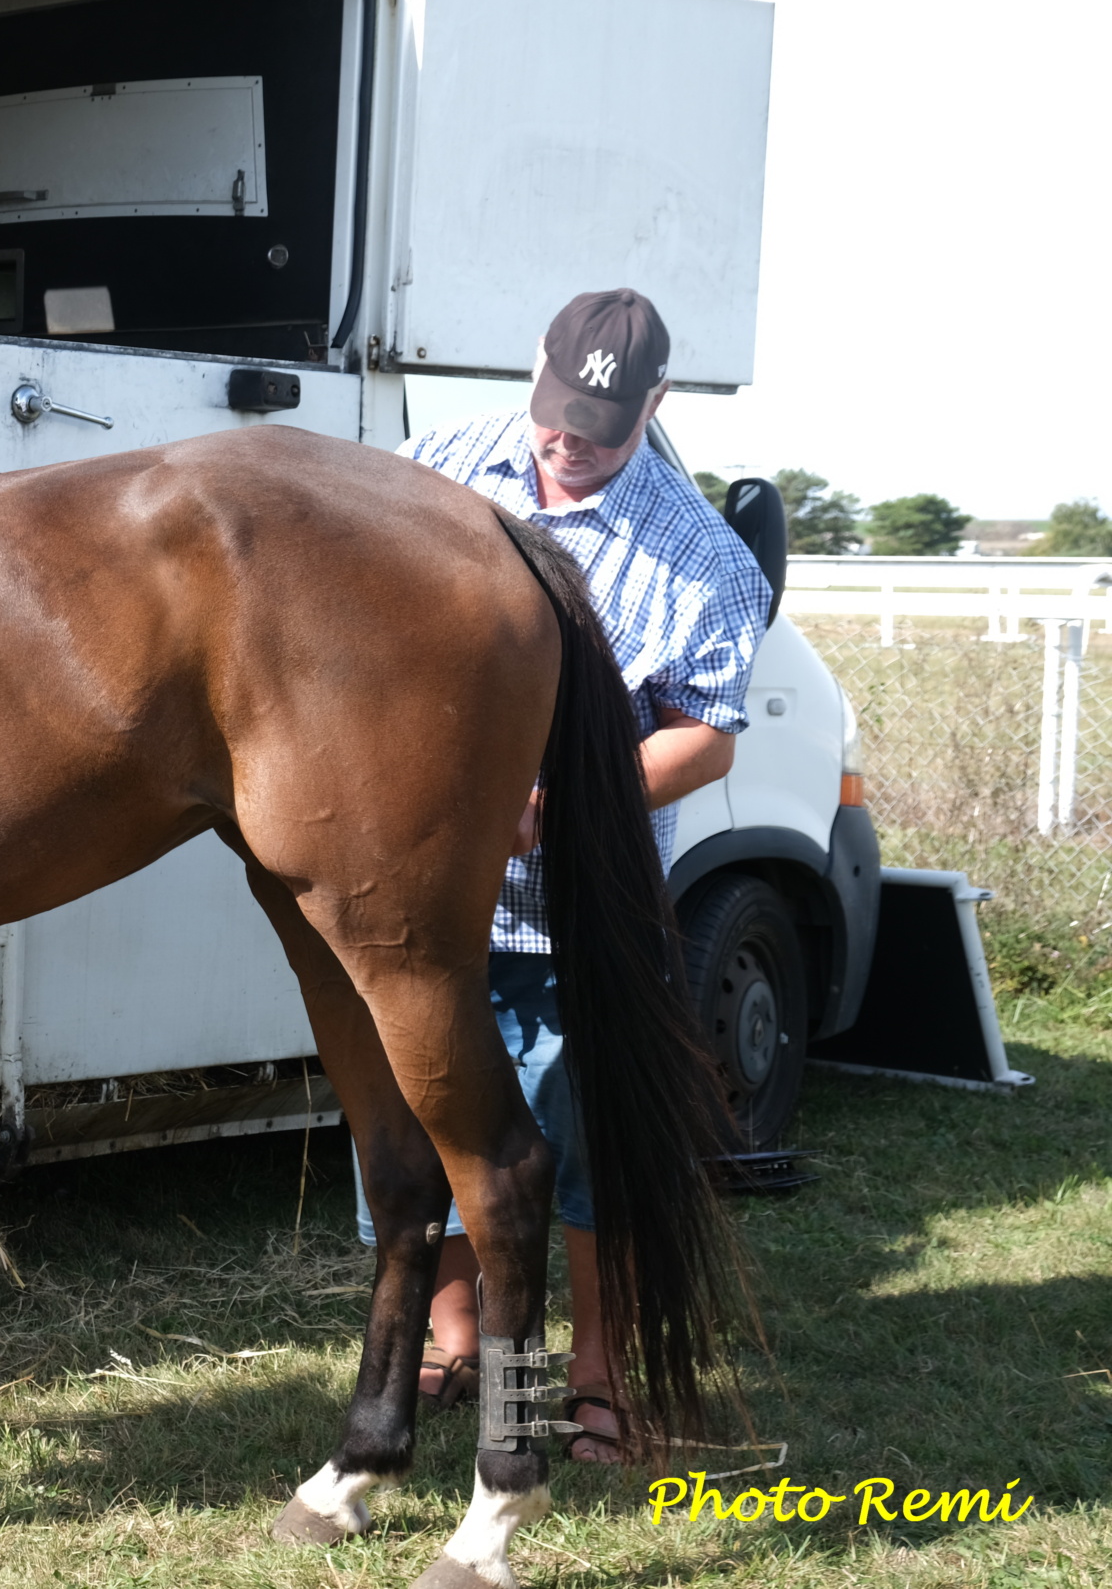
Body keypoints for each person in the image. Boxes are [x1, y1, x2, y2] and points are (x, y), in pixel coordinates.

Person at [355, 287, 771, 1462]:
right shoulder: (432, 470)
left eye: (599, 426)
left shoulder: (699, 556)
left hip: (572, 909)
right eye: (554, 413)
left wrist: (561, 803)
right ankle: (451, 1334)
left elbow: (706, 737)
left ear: (654, 405)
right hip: (423, 897)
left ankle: (597, 1371)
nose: (566, 442)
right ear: (534, 365)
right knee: (425, 1111)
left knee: (583, 1140)